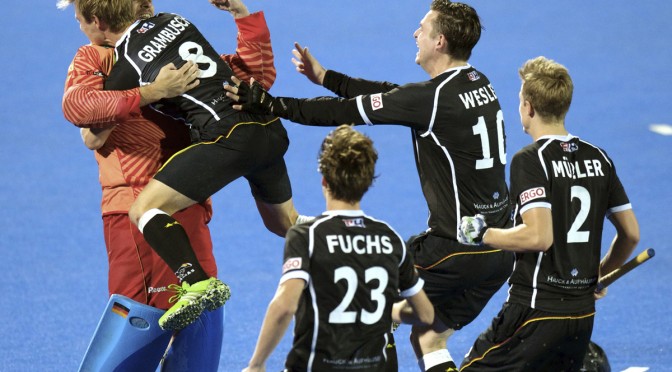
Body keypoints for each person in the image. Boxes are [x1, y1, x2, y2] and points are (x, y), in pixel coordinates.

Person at [226, 1, 513, 370]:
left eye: (422, 28)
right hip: (498, 250)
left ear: (439, 41)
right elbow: (395, 94)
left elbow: (343, 114)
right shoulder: (476, 83)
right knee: (431, 337)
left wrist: (270, 103)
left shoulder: (430, 99)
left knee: (374, 304)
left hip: (454, 249)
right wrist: (328, 77)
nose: (415, 33)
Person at [59, 0, 281, 368]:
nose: (79, 27)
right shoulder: (121, 56)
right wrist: (147, 93)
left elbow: (252, 80)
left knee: (183, 318)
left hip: (150, 209)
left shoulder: (98, 56)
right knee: (190, 317)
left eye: (79, 19)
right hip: (156, 207)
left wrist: (243, 18)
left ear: (97, 21)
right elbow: (82, 109)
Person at [457, 56, 640, 371]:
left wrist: (483, 233)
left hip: (533, 312)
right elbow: (631, 234)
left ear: (528, 107)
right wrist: (598, 273)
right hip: (581, 317)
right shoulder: (600, 158)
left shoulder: (530, 160)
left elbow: (538, 236)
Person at [243, 125, 434, 372]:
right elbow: (426, 315)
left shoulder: (307, 235)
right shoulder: (390, 238)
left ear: (324, 180)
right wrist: (389, 311)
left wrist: (256, 364)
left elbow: (285, 306)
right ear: (367, 182)